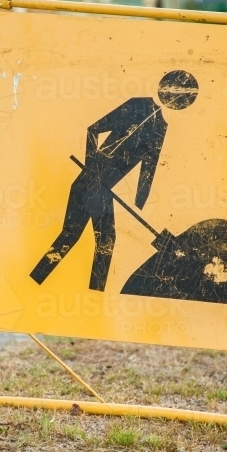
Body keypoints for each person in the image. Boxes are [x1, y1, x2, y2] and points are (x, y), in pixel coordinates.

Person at [30, 70, 199, 291]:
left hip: (97, 188)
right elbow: (94, 130)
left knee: (85, 239)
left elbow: (147, 172)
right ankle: (88, 294)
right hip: (92, 186)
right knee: (91, 240)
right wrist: (93, 168)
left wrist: (138, 204)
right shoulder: (140, 107)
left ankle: (51, 284)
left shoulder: (158, 126)